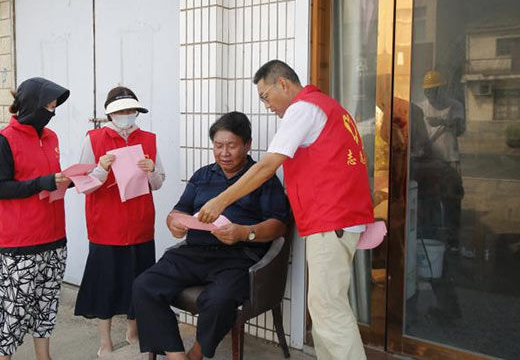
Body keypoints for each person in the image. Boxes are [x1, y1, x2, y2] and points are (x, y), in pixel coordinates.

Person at [198, 60, 375, 360]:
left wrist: (220, 201)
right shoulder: (331, 107)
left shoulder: (303, 109)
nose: (267, 106)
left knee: (328, 309)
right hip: (340, 218)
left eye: (266, 96)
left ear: (282, 84)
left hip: (331, 219)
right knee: (324, 307)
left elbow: (267, 166)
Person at [132, 112, 289, 360]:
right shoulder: (202, 176)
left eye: (231, 146)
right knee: (144, 286)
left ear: (247, 145)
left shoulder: (262, 178)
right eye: (218, 146)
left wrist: (243, 233)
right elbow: (178, 210)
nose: (224, 153)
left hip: (237, 257)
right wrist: (173, 222)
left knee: (219, 300)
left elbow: (279, 226)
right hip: (194, 252)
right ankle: (176, 356)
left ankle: (197, 353)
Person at [73, 86, 165, 357]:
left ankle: (133, 331)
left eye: (130, 110)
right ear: (110, 114)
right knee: (106, 285)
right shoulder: (94, 139)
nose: (126, 115)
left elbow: (158, 183)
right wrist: (101, 169)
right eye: (121, 111)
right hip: (106, 226)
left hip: (140, 224)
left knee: (139, 281)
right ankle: (105, 340)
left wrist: (151, 171)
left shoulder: (148, 139)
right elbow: (84, 185)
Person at [0, 77, 71, 360]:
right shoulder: (4, 141)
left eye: (55, 106)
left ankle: (43, 357)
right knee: (9, 314)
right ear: (32, 104)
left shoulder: (51, 137)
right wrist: (42, 182)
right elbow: (1, 188)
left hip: (55, 238)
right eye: (49, 106)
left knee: (46, 307)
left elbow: (51, 180)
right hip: (20, 245)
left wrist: (69, 180)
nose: (52, 112)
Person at [416, 70, 464, 251]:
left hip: (450, 160)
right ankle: (431, 239)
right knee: (429, 202)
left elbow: (460, 129)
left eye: (433, 90)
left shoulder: (454, 106)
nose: (430, 94)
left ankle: (452, 241)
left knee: (452, 201)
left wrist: (443, 122)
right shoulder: (420, 108)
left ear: (441, 89)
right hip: (429, 162)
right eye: (427, 91)